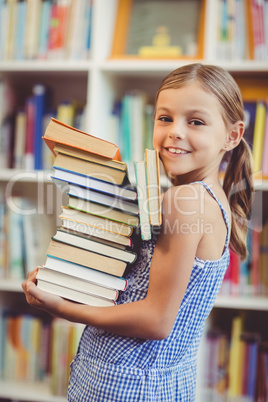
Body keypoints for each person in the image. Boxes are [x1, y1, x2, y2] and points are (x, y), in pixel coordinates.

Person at [22, 63, 254, 401]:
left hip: (127, 385)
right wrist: (66, 281)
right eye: (165, 118)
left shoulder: (185, 199)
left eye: (196, 122)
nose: (175, 131)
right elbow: (139, 290)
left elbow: (155, 320)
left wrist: (61, 307)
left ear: (232, 135)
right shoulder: (208, 197)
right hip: (158, 381)